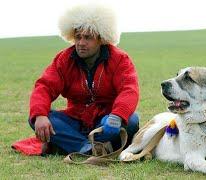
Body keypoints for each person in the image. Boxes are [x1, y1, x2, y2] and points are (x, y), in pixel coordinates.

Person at [28, 3, 139, 155]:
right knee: (36, 118)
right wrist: (40, 115)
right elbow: (44, 86)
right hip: (74, 120)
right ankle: (86, 147)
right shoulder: (64, 59)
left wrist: (117, 115)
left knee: (131, 120)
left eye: (87, 38)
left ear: (101, 38)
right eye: (78, 37)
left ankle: (70, 143)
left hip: (106, 121)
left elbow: (129, 90)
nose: (80, 43)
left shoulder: (120, 59)